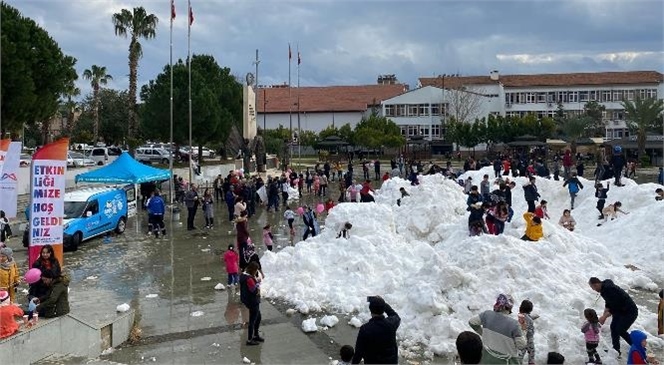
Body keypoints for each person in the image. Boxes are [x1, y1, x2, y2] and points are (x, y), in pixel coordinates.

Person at [469, 294, 526, 364]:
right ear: (510, 307)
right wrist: (523, 330)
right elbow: (521, 345)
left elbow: (472, 322)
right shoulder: (514, 324)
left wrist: (483, 333)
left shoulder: (486, 315)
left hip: (487, 360)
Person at [588, 277, 638, 356]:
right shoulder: (604, 288)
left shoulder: (609, 289)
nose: (593, 290)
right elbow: (609, 302)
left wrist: (604, 317)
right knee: (613, 328)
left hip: (629, 311)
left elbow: (616, 306)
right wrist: (604, 314)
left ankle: (638, 347)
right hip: (620, 311)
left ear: (596, 284)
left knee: (620, 330)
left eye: (593, 287)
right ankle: (616, 350)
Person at [351, 296, 400, 364]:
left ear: (370, 310)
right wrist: (382, 303)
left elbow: (359, 352)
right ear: (383, 309)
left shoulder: (365, 329)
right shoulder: (391, 324)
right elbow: (394, 315)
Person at [240, 262, 264, 346]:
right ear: (253, 270)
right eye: (256, 270)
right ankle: (250, 339)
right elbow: (253, 290)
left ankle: (255, 335)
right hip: (253, 301)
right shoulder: (249, 279)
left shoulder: (244, 276)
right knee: (253, 320)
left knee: (258, 317)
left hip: (249, 301)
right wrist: (257, 285)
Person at [517, 300, 536, 365]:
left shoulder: (521, 316)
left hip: (522, 339)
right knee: (531, 352)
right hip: (529, 338)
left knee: (520, 354)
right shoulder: (528, 318)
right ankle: (531, 362)